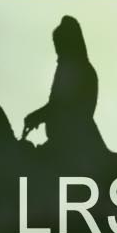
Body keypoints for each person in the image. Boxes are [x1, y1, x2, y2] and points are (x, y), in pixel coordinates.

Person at [24, 16, 101, 169]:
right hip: (63, 142)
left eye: (60, 48)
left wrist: (38, 115)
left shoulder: (77, 70)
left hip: (71, 145)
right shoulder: (74, 68)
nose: (58, 55)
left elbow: (62, 106)